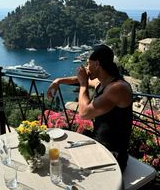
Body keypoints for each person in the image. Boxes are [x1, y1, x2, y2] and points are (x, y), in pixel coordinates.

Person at [47, 44, 133, 172]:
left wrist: (83, 84)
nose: (86, 68)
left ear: (97, 64)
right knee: (62, 156)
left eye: (88, 64)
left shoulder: (118, 88)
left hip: (113, 155)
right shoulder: (103, 82)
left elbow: (84, 113)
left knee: (65, 168)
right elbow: (79, 79)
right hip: (99, 145)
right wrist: (58, 80)